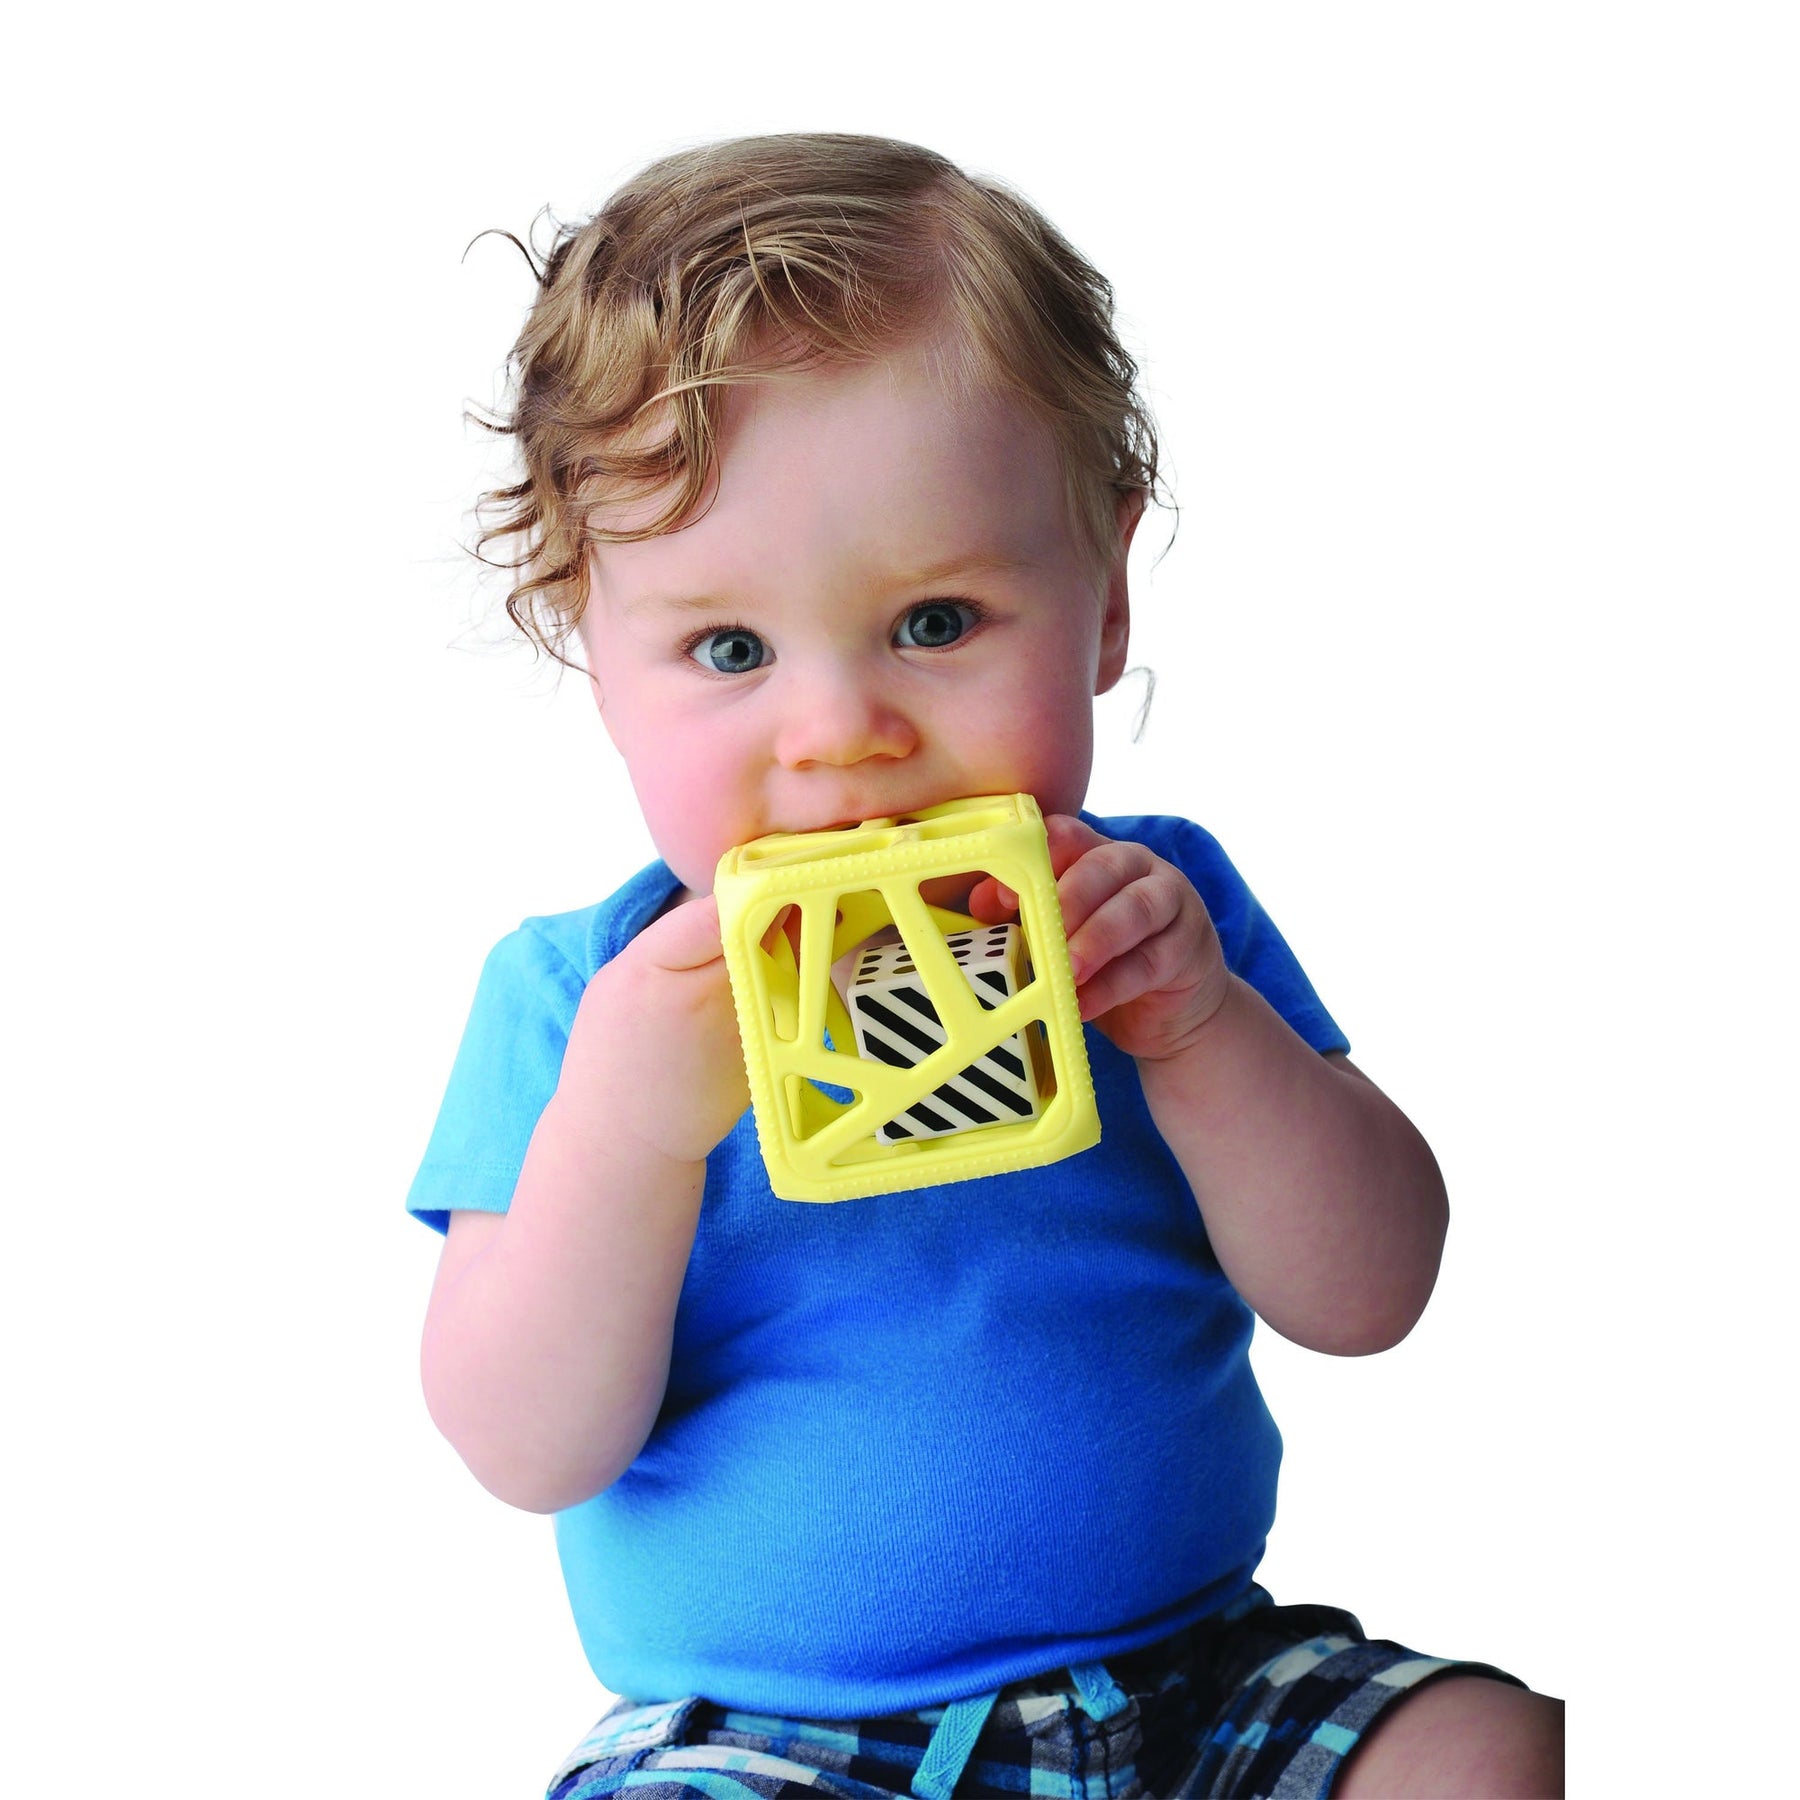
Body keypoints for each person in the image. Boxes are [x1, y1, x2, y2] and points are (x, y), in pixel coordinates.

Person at [410, 133, 1564, 1798]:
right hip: (776, 1744)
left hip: (1194, 1682)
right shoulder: (575, 1003)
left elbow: (1371, 1294)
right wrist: (629, 1129)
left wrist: (1205, 1035)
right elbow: (524, 1445)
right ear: (599, 657)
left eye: (937, 623)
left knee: (1487, 1745)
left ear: (1104, 598)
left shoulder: (1157, 919)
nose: (841, 734)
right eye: (729, 649)